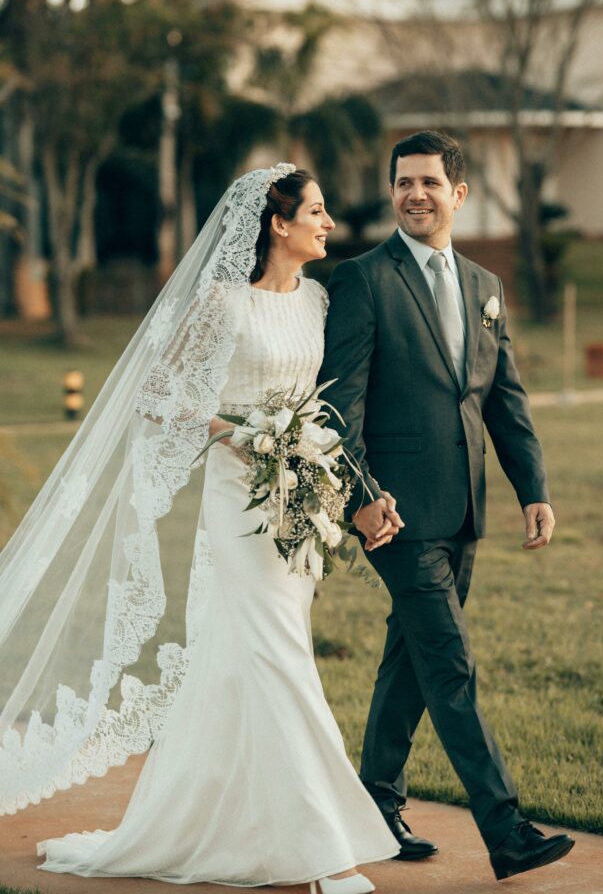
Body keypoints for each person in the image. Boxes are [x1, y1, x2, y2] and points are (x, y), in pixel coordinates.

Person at [2, 166, 399, 891]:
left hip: (298, 503)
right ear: (277, 225)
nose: (328, 223)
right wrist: (235, 432)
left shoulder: (317, 299)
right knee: (278, 657)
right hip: (237, 499)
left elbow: (329, 405)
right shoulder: (222, 304)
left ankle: (225, 821)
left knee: (250, 657)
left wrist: (324, 471)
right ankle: (327, 853)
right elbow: (154, 394)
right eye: (316, 211)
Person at [319, 131, 575, 882]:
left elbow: (503, 399)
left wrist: (533, 489)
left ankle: (376, 805)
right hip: (394, 517)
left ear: (458, 194)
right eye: (403, 182)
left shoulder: (484, 285)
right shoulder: (363, 279)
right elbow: (338, 406)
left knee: (410, 660)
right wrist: (362, 498)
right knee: (450, 664)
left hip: (464, 511)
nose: (415, 194)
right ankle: (506, 829)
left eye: (429, 182)